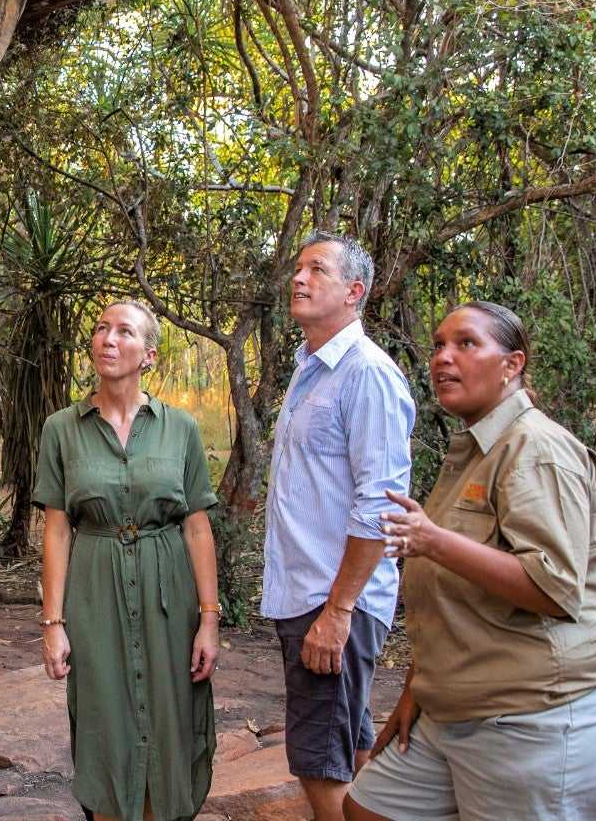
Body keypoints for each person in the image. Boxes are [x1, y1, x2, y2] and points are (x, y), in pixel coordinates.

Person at [348, 301, 596, 821]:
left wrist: (433, 541)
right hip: (457, 706)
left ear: (513, 364)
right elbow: (456, 594)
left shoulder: (535, 450)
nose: (443, 358)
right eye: (438, 345)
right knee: (370, 808)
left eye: (466, 344)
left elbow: (553, 589)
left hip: (536, 712)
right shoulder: (477, 449)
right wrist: (419, 686)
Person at [36, 300, 221, 821]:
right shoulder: (62, 428)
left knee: (173, 718)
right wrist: (54, 623)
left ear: (150, 355)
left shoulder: (179, 428)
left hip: (171, 596)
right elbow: (56, 529)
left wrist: (209, 619)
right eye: (100, 329)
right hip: (94, 592)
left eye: (124, 331)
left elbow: (197, 526)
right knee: (103, 717)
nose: (108, 339)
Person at [263, 232, 414, 820]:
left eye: (317, 270)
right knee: (346, 747)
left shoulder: (366, 374)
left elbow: (380, 503)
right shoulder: (310, 369)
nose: (299, 279)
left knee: (319, 765)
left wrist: (338, 611)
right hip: (310, 592)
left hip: (331, 600)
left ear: (354, 292)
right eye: (298, 269)